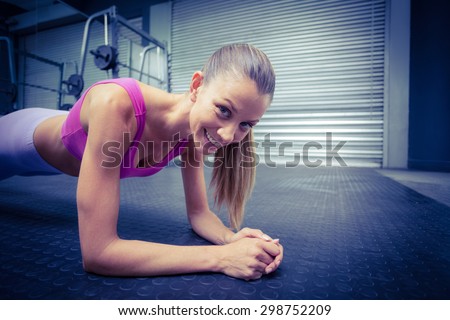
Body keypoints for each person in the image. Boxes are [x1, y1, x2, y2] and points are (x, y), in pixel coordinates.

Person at [0, 43, 283, 281]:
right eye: (223, 110)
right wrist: (221, 258)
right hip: (16, 139)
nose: (227, 135)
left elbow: (199, 214)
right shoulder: (115, 104)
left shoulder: (194, 135)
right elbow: (98, 253)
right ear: (197, 85)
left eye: (246, 124)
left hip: (47, 157)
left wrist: (232, 240)